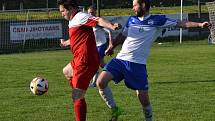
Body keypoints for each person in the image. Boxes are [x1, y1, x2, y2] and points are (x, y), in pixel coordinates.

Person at [96, 0, 211, 121]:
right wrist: (111, 47)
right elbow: (123, 36)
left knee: (144, 100)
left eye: (135, 5)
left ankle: (149, 119)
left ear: (143, 5)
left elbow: (181, 23)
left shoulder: (158, 20)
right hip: (120, 59)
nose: (133, 8)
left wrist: (199, 25)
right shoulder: (131, 20)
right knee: (100, 82)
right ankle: (115, 110)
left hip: (137, 64)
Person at [57, 0, 121, 121]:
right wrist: (66, 42)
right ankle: (109, 102)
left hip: (85, 61)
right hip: (79, 59)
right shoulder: (73, 21)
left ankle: (80, 95)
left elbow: (98, 20)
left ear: (70, 8)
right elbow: (77, 37)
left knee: (77, 96)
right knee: (66, 71)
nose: (62, 14)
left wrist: (111, 26)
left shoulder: (81, 16)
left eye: (63, 11)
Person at [87, 6, 113, 87]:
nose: (91, 14)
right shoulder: (88, 22)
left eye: (92, 12)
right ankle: (114, 72)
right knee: (101, 64)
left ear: (95, 12)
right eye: (89, 13)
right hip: (95, 46)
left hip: (102, 45)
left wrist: (110, 44)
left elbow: (109, 31)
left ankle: (94, 82)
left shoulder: (98, 22)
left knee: (95, 62)